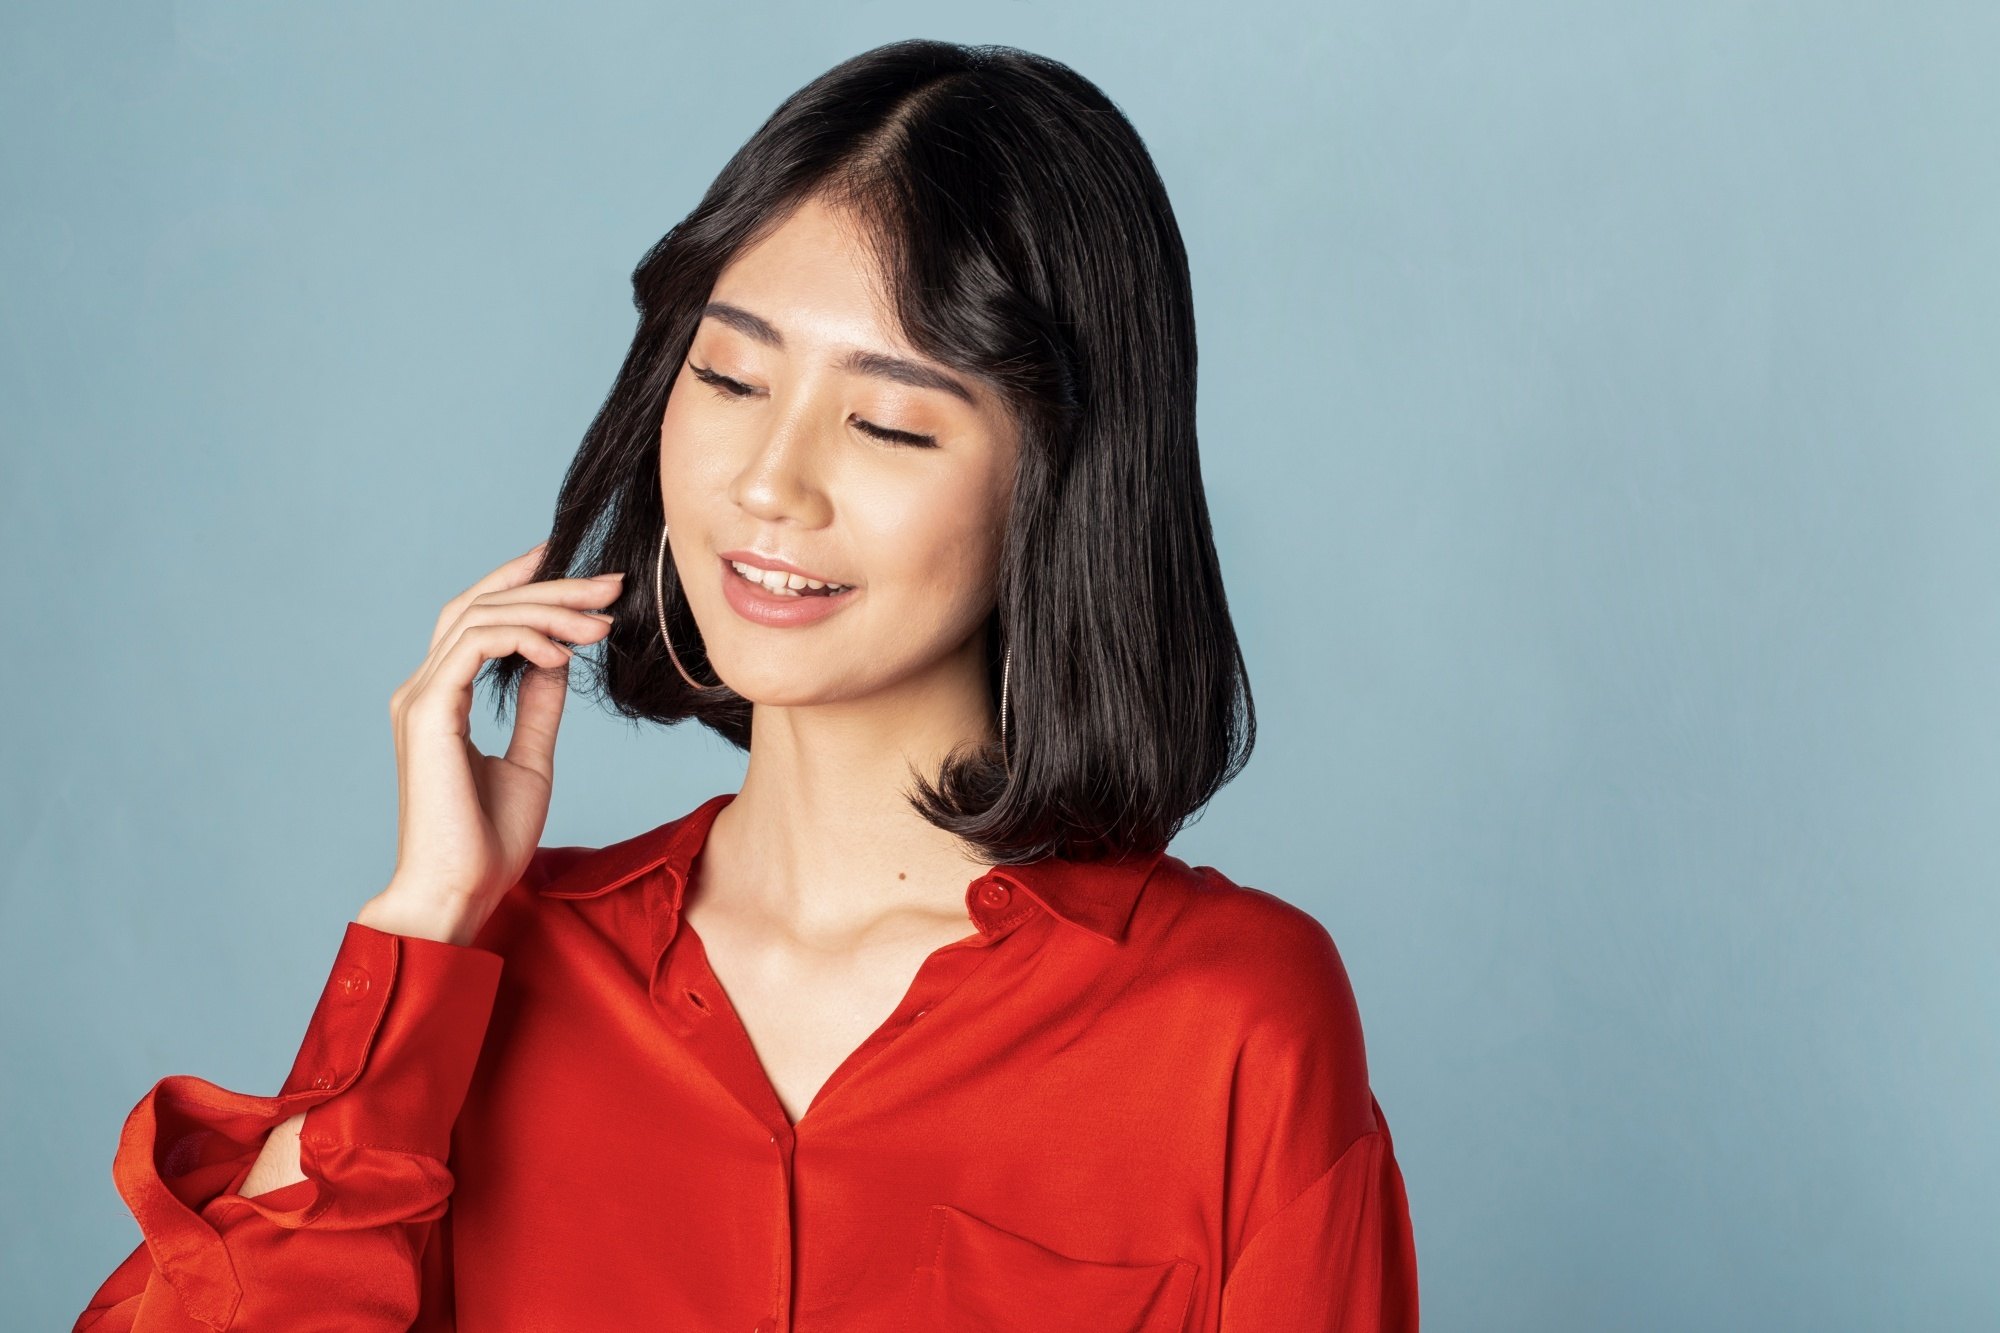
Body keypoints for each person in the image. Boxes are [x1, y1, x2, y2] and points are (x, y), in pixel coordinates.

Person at [75, 38, 1417, 1332]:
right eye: (727, 374)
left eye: (889, 421)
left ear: (1060, 484)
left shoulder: (1230, 1026)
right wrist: (427, 931)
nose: (769, 483)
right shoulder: (489, 985)